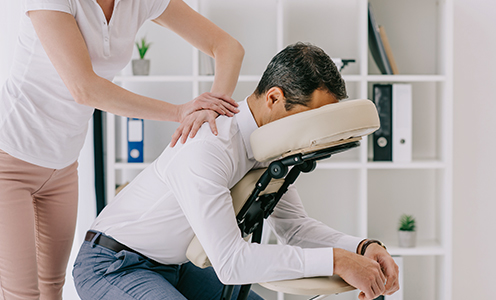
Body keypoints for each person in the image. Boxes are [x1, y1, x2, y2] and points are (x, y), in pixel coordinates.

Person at [72, 43, 400, 300]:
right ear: (274, 97)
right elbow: (230, 263)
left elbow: (295, 229)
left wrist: (362, 248)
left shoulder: (273, 149)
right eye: (309, 118)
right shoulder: (210, 146)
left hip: (174, 266)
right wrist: (337, 260)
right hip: (114, 265)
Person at [0, 0, 244, 299]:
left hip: (63, 165)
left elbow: (228, 46)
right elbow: (84, 88)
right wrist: (181, 111)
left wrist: (212, 108)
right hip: (9, 159)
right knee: (21, 292)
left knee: (52, 285)